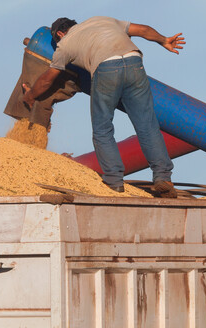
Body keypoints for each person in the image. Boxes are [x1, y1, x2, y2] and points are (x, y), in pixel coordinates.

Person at [23, 17, 185, 197]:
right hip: (134, 62)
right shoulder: (101, 20)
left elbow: (48, 79)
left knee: (103, 129)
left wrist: (30, 95)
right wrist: (164, 40)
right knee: (147, 124)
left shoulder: (65, 44)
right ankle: (163, 177)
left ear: (60, 34)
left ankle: (114, 180)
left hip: (106, 68)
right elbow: (143, 30)